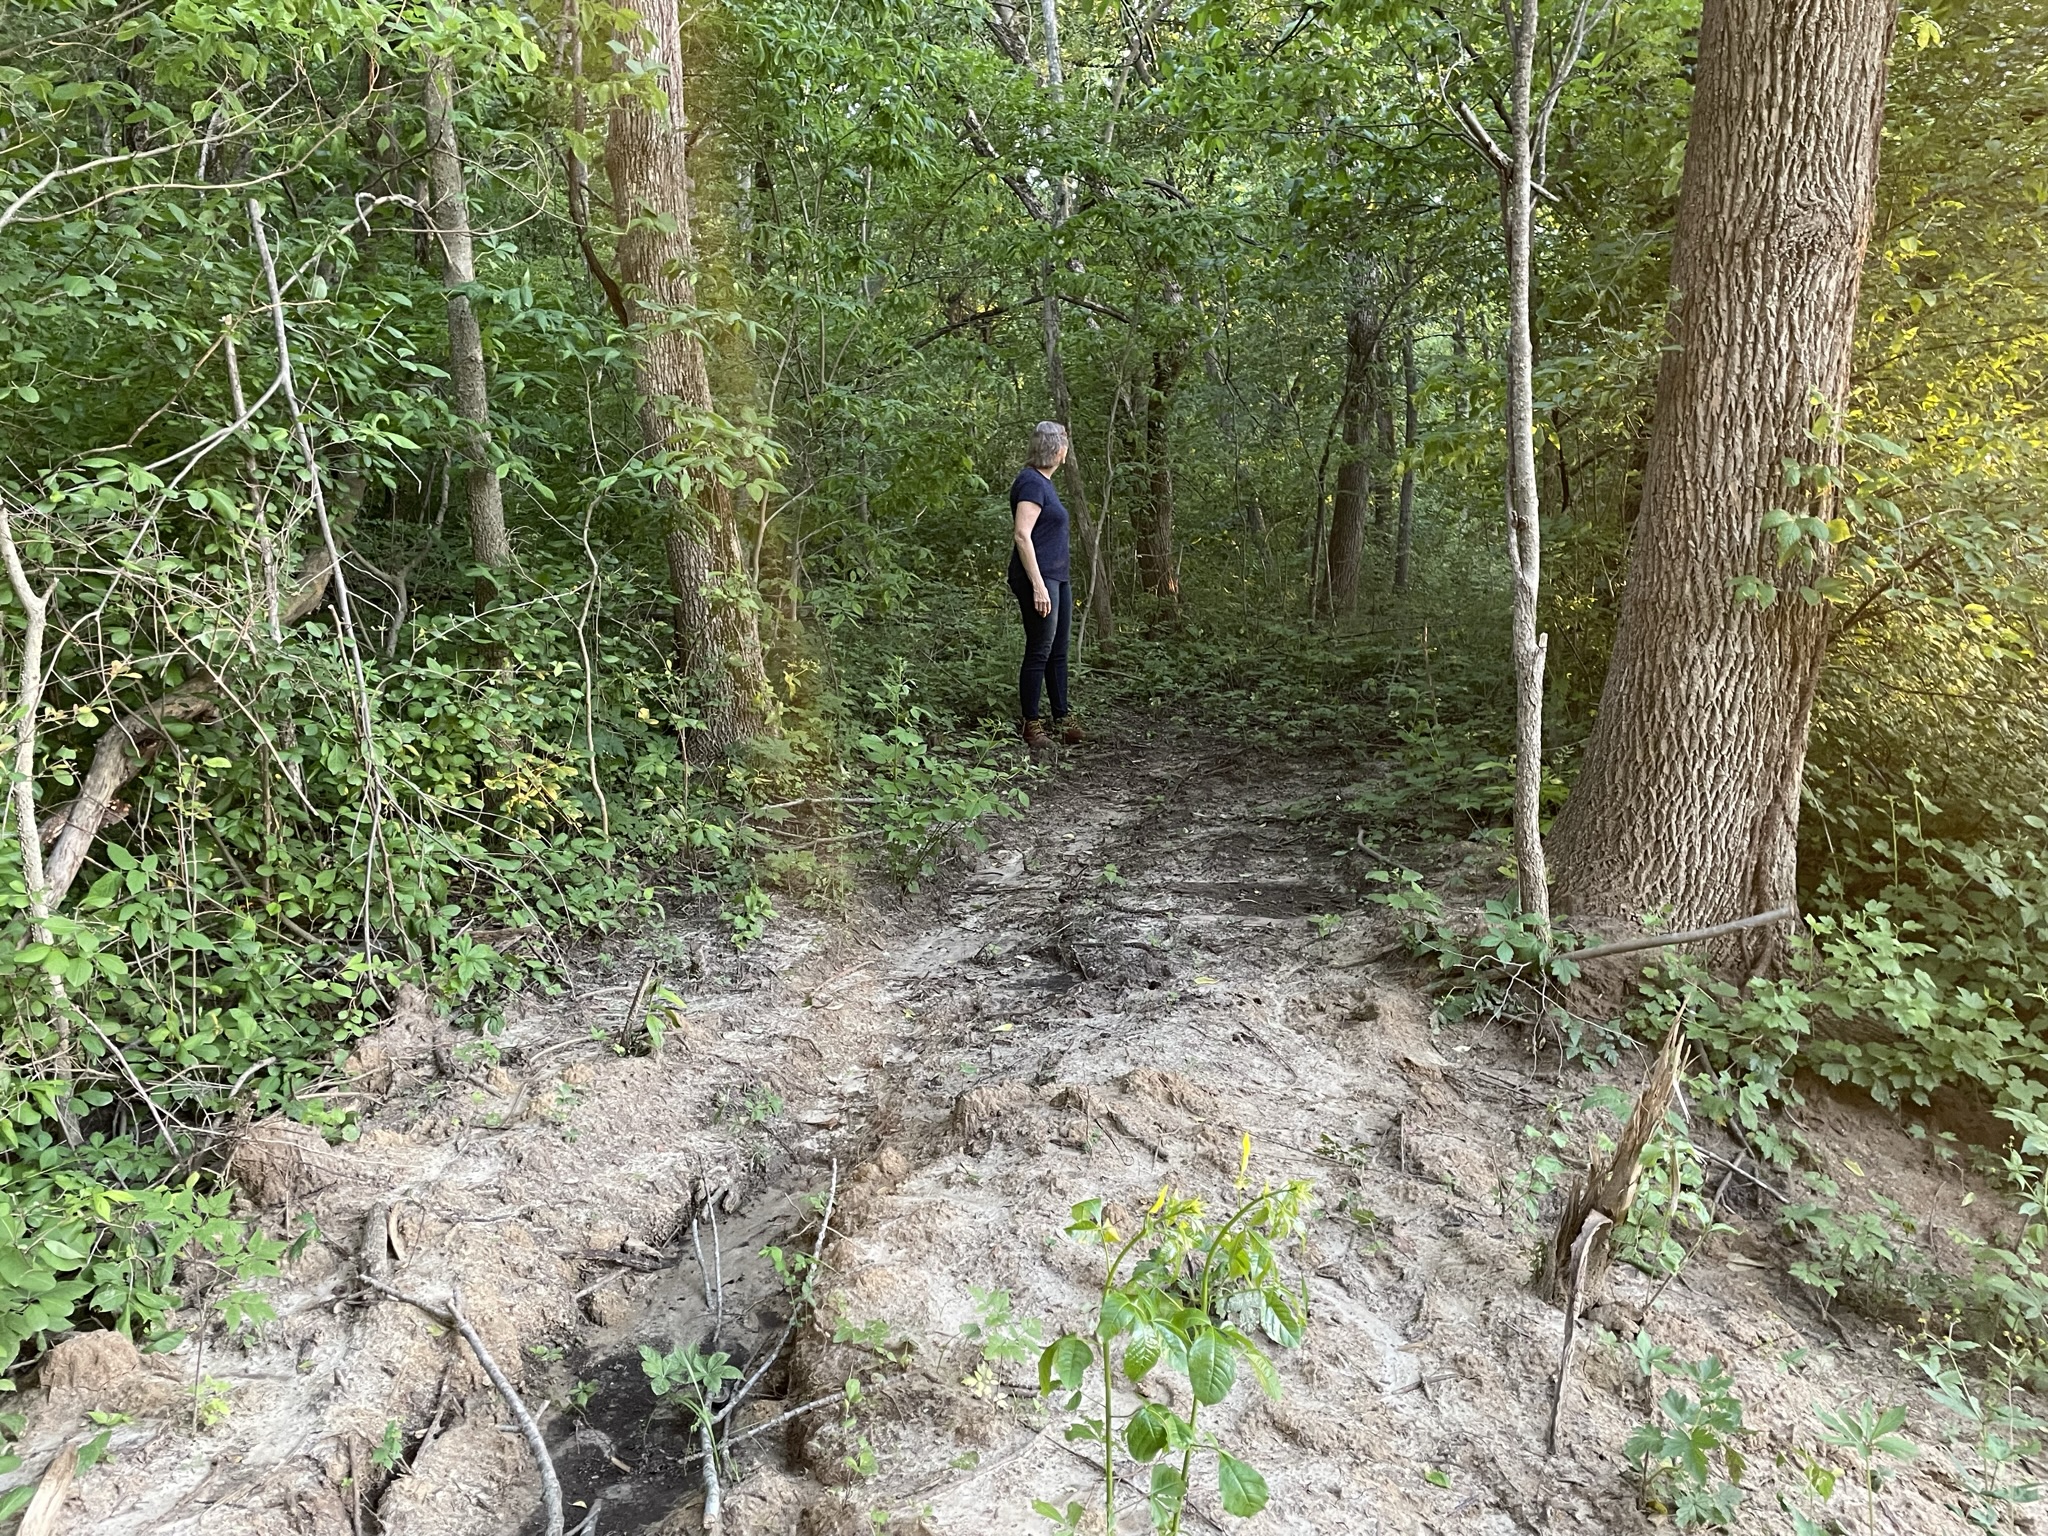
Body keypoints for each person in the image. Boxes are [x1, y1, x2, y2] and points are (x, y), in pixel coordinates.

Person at [1009, 421, 1083, 747]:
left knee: (1058, 651)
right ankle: (1032, 726)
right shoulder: (1030, 481)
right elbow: (1022, 535)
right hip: (1038, 577)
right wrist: (1038, 585)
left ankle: (1063, 719)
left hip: (1057, 577)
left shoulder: (1045, 483)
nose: (1066, 449)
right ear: (1057, 449)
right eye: (1065, 443)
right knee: (1040, 649)